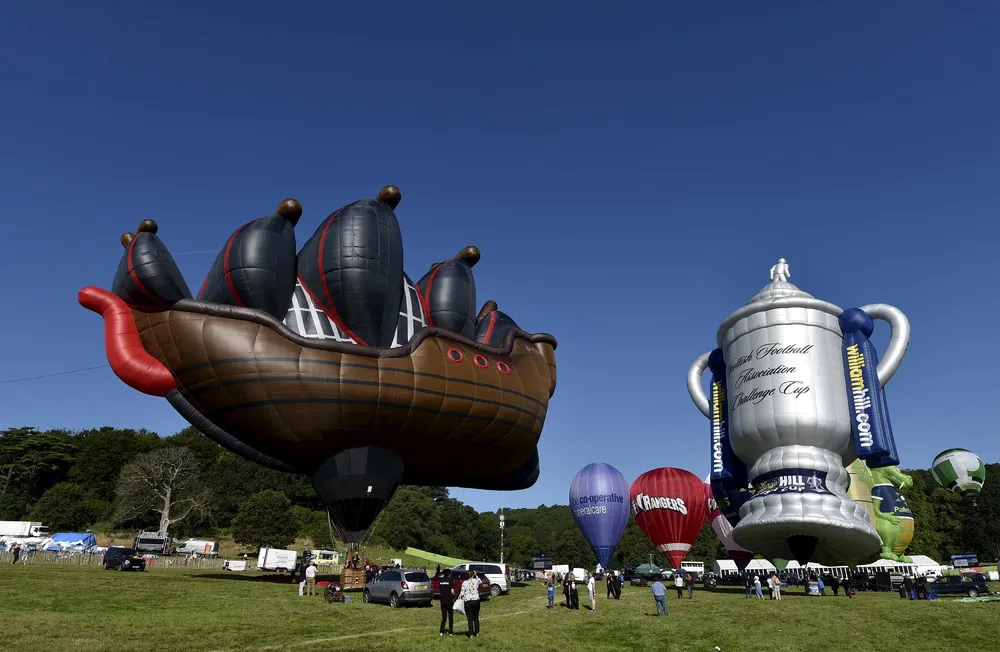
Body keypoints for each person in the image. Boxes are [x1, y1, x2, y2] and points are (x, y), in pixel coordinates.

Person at [459, 571, 481, 638]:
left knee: (470, 619)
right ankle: (477, 633)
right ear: (472, 575)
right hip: (476, 600)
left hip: (468, 600)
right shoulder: (476, 581)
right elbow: (480, 581)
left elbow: (462, 593)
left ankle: (471, 634)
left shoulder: (464, 583)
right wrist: (476, 575)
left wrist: (459, 599)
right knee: (476, 618)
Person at [438, 570, 455, 636]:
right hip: (449, 601)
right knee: (450, 617)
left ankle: (441, 631)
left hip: (442, 601)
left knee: (444, 617)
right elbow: (452, 591)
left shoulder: (441, 581)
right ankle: (451, 631)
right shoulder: (450, 581)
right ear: (449, 574)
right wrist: (454, 595)